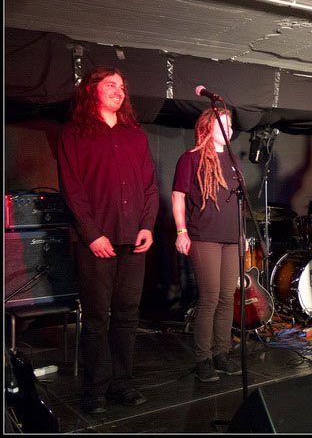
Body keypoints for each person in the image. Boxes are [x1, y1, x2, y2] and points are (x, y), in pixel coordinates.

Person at [57, 66, 158, 414]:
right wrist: (92, 234)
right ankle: (96, 388)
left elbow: (149, 186)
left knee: (127, 315)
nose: (119, 90)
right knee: (97, 317)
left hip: (134, 237)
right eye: (110, 84)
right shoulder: (74, 133)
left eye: (122, 87)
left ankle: (122, 383)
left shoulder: (135, 135)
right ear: (92, 89)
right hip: (96, 240)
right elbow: (71, 189)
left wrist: (147, 225)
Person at [172, 108, 244, 382]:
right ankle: (204, 358)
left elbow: (238, 202)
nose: (228, 128)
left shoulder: (233, 159)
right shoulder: (190, 159)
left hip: (231, 237)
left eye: (230, 124)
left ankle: (221, 353)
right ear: (207, 127)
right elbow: (178, 196)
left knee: (227, 298)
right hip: (204, 237)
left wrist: (241, 235)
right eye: (221, 123)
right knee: (210, 298)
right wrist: (181, 231)